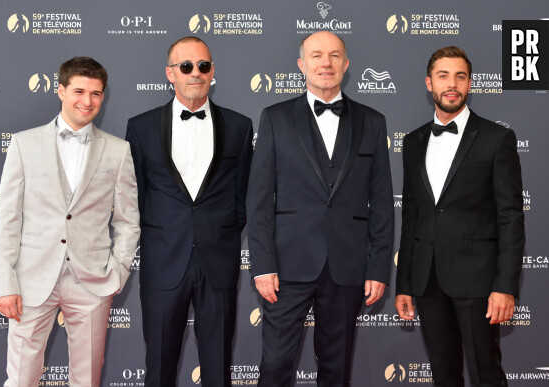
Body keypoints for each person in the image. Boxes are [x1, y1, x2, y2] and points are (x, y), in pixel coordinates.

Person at [247, 31, 394, 386]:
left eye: (333, 55)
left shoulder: (372, 121)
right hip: (286, 268)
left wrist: (378, 267)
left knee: (336, 368)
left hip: (347, 267)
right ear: (302, 65)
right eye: (316, 55)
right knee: (276, 364)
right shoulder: (275, 117)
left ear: (346, 64)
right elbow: (259, 199)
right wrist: (263, 264)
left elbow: (383, 202)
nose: (325, 63)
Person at [0, 56, 140, 387]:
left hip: (92, 281)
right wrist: (5, 284)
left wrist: (117, 272)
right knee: (20, 378)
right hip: (31, 280)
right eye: (79, 91)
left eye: (96, 94)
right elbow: (7, 220)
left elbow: (129, 221)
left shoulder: (118, 151)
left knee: (87, 379)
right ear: (60, 90)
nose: (87, 101)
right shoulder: (23, 144)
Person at [125, 36, 253, 386]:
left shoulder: (240, 127)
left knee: (218, 370)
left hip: (218, 264)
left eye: (203, 66)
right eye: (186, 66)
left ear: (213, 71)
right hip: (163, 266)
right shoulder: (141, 127)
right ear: (170, 73)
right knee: (160, 369)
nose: (195, 73)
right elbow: (134, 196)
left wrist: (221, 233)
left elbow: (244, 197)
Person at [395, 46, 525, 386]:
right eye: (443, 76)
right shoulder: (412, 142)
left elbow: (510, 216)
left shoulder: (498, 139)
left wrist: (505, 286)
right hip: (427, 280)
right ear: (429, 83)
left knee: (486, 374)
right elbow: (411, 216)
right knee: (443, 374)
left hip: (479, 282)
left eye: (460, 76)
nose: (451, 84)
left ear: (469, 84)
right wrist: (405, 284)